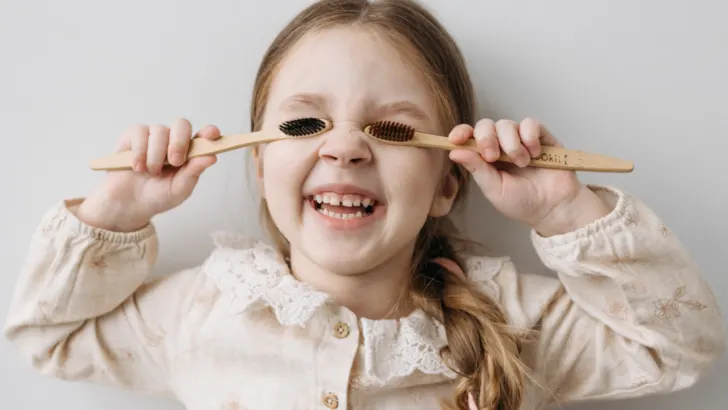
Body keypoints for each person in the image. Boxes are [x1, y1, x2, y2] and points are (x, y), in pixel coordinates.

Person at [3, 1, 725, 409]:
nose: (344, 148)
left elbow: (681, 349)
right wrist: (119, 210)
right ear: (259, 165)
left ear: (448, 184)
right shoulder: (199, 313)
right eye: (302, 124)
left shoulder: (516, 325)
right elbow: (43, 336)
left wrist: (563, 209)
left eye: (395, 129)